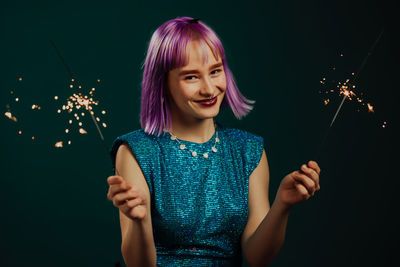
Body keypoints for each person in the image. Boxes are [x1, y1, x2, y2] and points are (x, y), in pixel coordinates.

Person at [107, 16, 321, 267]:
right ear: (162, 83)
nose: (209, 89)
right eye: (191, 77)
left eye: (215, 71)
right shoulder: (136, 151)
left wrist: (282, 205)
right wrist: (139, 220)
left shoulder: (248, 150)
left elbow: (257, 257)